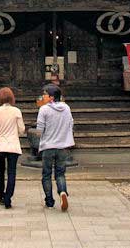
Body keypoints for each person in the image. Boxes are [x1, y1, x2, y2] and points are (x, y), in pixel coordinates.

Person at [0, 87, 25, 209]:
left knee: (0, 171)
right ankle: (8, 197)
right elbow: (22, 130)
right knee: (12, 172)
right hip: (12, 145)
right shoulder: (16, 111)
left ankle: (1, 196)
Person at [36, 83, 74, 211]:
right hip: (62, 146)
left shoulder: (44, 109)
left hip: (48, 146)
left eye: (45, 94)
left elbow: (40, 130)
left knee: (46, 174)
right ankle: (62, 191)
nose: (43, 97)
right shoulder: (67, 108)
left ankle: (49, 201)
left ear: (51, 97)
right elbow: (71, 124)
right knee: (60, 173)